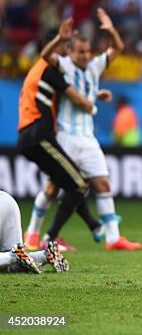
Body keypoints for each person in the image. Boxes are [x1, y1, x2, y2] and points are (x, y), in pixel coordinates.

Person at [24, 9, 141, 251]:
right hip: (65, 136)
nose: (86, 56)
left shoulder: (94, 67)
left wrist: (111, 31)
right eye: (81, 52)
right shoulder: (64, 65)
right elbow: (44, 56)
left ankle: (113, 238)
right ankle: (33, 233)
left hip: (87, 138)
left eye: (88, 52)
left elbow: (117, 49)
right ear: (69, 52)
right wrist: (59, 38)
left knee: (103, 184)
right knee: (52, 187)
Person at [17, 18, 97, 247]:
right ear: (57, 46)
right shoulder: (49, 69)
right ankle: (49, 239)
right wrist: (90, 104)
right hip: (39, 135)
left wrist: (94, 94)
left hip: (28, 136)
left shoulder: (38, 70)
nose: (66, 54)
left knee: (68, 183)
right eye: (64, 47)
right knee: (79, 184)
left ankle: (90, 226)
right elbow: (74, 96)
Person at [0, 191, 68, 273]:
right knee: (14, 262)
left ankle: (13, 255)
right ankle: (46, 255)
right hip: (7, 199)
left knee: (12, 257)